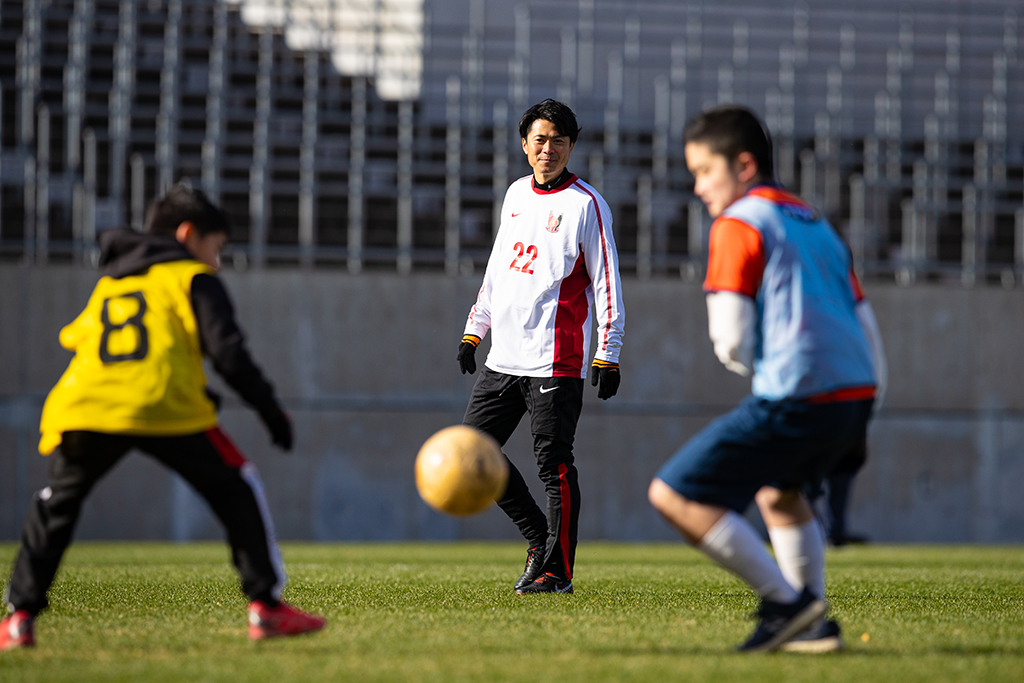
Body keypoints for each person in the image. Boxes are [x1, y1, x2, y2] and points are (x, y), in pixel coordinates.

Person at [0, 183, 325, 651]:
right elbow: (228, 353)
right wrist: (272, 413)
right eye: (215, 248)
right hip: (163, 405)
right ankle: (267, 608)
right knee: (238, 486)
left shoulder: (114, 281)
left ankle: (20, 617)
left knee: (55, 504)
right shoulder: (192, 278)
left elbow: (84, 339)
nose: (215, 262)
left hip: (85, 404)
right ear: (188, 233)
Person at [647, 105, 886, 652]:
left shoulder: (738, 222)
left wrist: (764, 373)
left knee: (675, 493)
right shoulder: (816, 222)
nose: (699, 187)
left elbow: (729, 335)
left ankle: (786, 603)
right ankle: (815, 626)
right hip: (854, 395)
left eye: (706, 171)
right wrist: (868, 401)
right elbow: (863, 319)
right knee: (781, 495)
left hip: (797, 394)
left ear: (744, 165)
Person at [457, 99, 625, 595]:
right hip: (503, 356)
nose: (546, 149)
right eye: (539, 139)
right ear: (525, 144)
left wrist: (608, 351)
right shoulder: (514, 194)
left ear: (571, 145)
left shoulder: (587, 205)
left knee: (553, 464)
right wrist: (474, 329)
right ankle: (537, 539)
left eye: (557, 140)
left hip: (556, 359)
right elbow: (498, 269)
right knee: (473, 451)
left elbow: (607, 281)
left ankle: (557, 571)